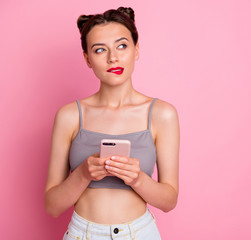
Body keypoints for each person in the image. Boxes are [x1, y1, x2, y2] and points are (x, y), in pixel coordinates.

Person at [44, 6, 179, 240]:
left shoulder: (162, 114)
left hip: (140, 233)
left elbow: (169, 201)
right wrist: (83, 174)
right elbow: (52, 206)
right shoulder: (69, 116)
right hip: (81, 234)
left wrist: (137, 179)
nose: (113, 57)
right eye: (99, 50)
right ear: (87, 59)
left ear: (136, 50)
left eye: (122, 46)